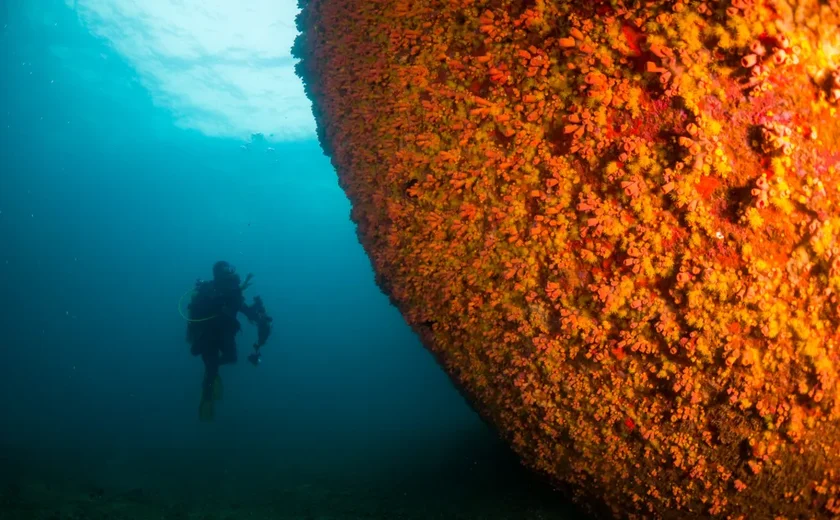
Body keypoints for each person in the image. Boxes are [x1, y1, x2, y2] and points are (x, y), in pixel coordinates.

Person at [185, 261, 273, 421]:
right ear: (218, 273)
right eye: (226, 270)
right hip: (208, 336)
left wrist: (260, 315)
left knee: (230, 359)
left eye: (230, 269)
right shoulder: (210, 290)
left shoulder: (234, 293)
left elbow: (246, 311)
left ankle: (210, 378)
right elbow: (211, 305)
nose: (230, 273)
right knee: (212, 367)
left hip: (224, 335)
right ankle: (206, 397)